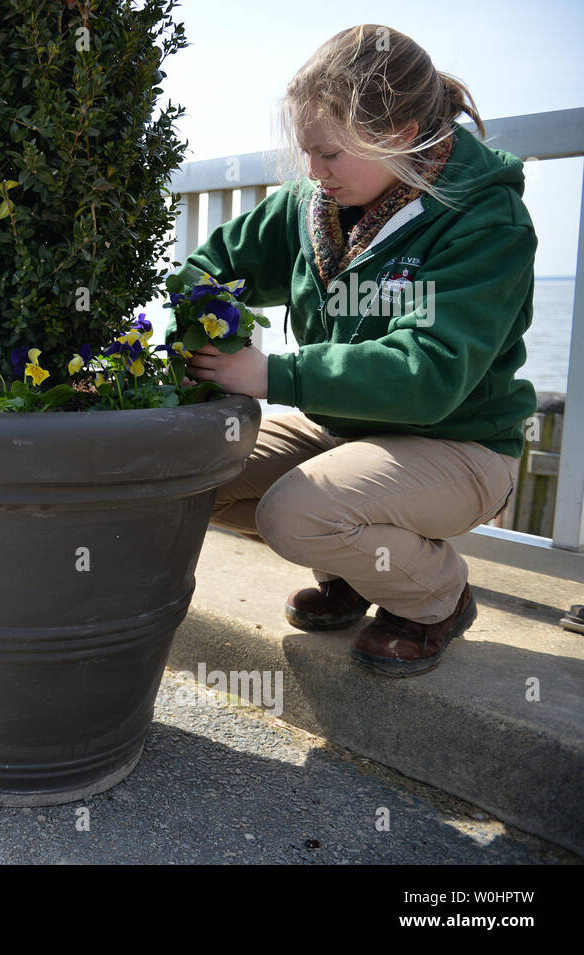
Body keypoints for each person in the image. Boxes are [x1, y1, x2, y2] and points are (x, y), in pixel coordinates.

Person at [165, 24, 536, 677]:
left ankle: (434, 598)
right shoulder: (315, 204)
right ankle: (357, 571)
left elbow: (430, 375)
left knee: (292, 513)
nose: (312, 171)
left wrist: (273, 372)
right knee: (194, 469)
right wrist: (204, 344)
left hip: (463, 444)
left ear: (396, 134)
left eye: (330, 153)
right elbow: (210, 269)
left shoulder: (486, 220)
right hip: (350, 431)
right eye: (307, 151)